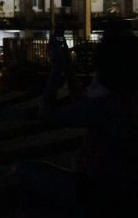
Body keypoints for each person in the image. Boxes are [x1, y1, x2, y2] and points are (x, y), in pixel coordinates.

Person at [11, 29, 138, 217]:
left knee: (22, 171)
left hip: (99, 195)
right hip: (123, 192)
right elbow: (82, 105)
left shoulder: (108, 106)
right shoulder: (126, 100)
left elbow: (47, 114)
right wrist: (68, 68)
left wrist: (56, 70)